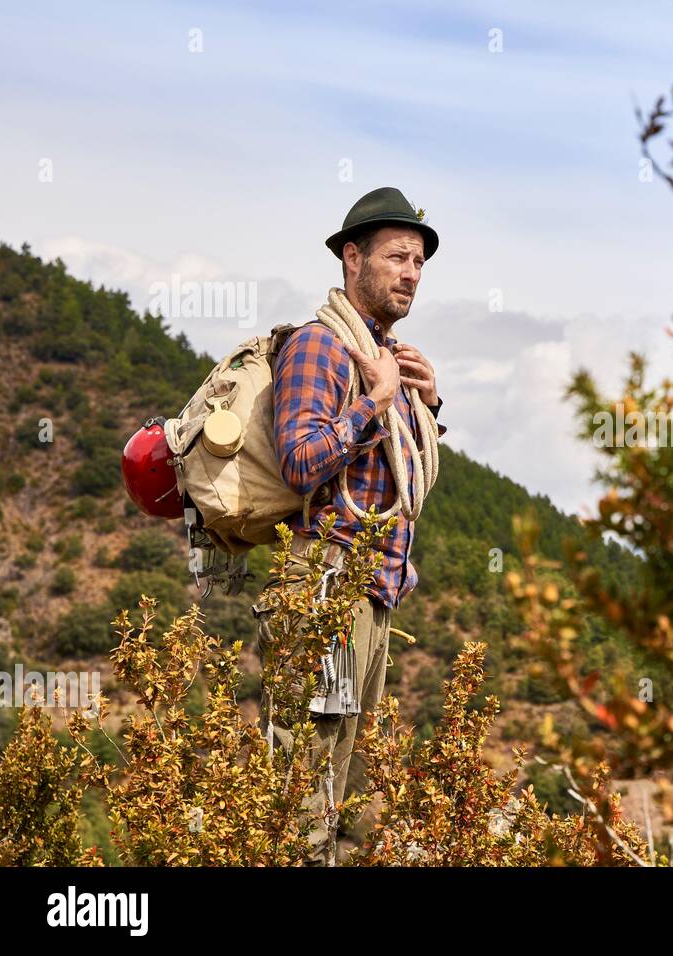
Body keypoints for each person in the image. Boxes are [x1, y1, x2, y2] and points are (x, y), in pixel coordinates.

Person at [251, 186, 444, 865]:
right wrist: (376, 405)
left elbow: (399, 479)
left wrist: (424, 405)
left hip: (372, 591)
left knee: (351, 787)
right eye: (397, 257)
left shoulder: (384, 359)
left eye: (419, 261)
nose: (412, 273)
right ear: (351, 258)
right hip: (328, 587)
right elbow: (302, 462)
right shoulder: (320, 349)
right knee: (307, 778)